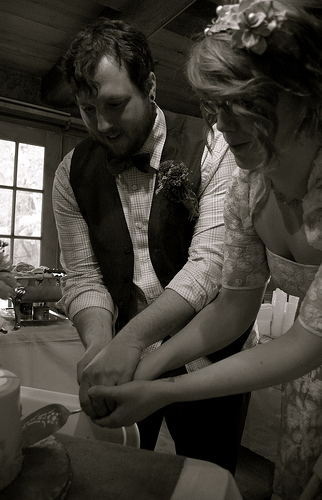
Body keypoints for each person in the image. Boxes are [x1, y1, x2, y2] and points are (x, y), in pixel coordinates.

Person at [87, 2, 322, 498]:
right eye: (214, 105)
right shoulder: (248, 185)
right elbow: (234, 307)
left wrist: (161, 391)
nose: (224, 123)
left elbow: (306, 342)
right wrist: (147, 366)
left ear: (306, 96)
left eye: (248, 102)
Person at [51, 17, 251, 474]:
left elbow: (210, 263)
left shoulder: (214, 147)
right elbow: (84, 274)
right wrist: (103, 344)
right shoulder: (70, 174)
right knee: (119, 472)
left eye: (114, 104)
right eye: (86, 109)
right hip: (125, 358)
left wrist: (132, 340)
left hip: (210, 361)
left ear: (151, 86)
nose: (101, 124)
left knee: (207, 475)